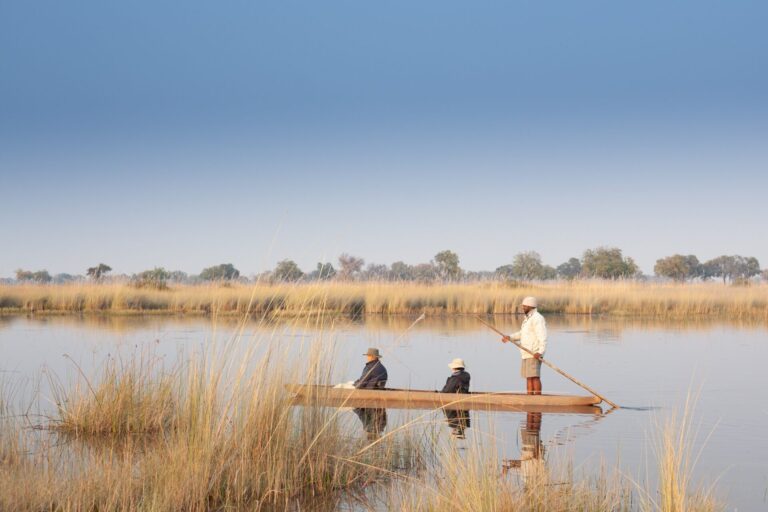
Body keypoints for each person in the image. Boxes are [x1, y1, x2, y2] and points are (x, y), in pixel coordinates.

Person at [501, 296, 547, 395]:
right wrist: (510, 337)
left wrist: (540, 352)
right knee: (528, 377)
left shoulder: (537, 318)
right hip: (525, 353)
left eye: (525, 306)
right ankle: (529, 399)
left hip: (534, 352)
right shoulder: (527, 319)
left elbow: (542, 336)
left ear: (531, 306)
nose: (523, 308)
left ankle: (538, 399)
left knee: (535, 377)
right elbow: (522, 334)